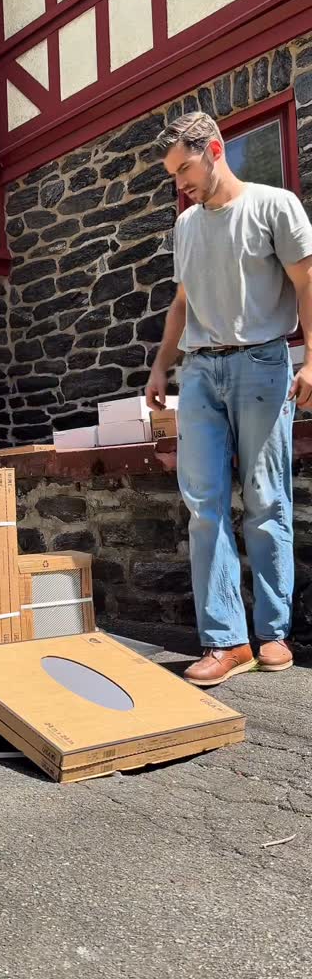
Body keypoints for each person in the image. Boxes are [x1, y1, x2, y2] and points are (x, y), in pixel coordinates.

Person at [146, 111, 312, 686]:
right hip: (199, 372)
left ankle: (273, 633)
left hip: (262, 362)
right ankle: (225, 641)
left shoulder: (274, 205)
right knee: (204, 505)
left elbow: (306, 282)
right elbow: (182, 302)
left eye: (184, 169)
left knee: (266, 499)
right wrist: (161, 365)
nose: (180, 184)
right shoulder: (186, 225)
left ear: (214, 149)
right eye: (173, 174)